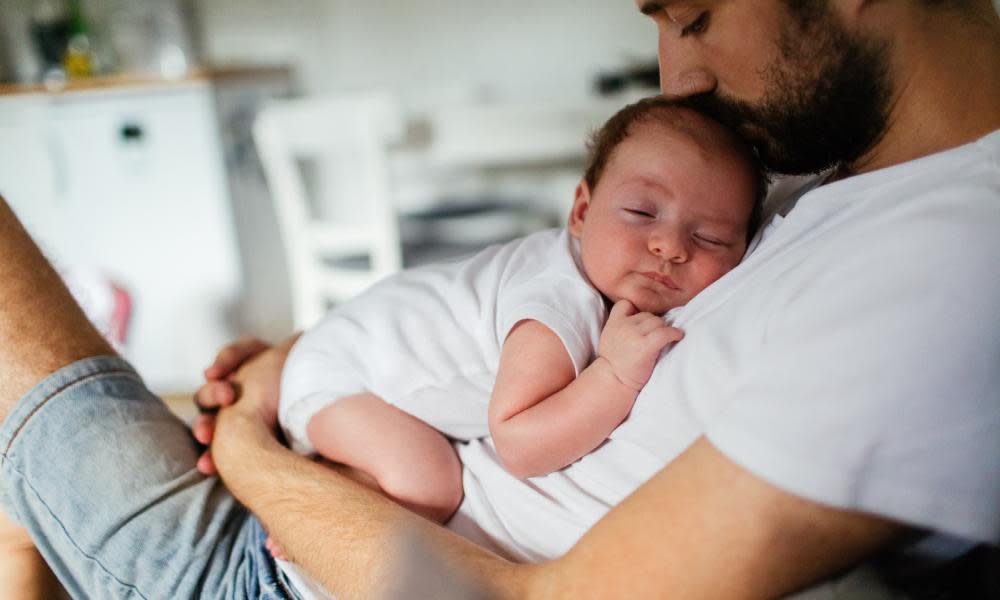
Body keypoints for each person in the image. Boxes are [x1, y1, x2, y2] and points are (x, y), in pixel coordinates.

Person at [0, 1, 998, 598]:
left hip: (285, 573)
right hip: (340, 504)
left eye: (693, 15)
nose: (677, 79)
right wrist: (312, 365)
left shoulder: (949, 259)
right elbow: (509, 309)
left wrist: (257, 454)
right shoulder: (816, 180)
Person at [275, 96, 763, 530]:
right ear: (580, 213)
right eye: (641, 212)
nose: (670, 246)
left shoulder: (595, 276)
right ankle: (306, 506)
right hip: (341, 375)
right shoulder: (557, 303)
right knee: (430, 485)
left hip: (358, 345)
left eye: (711, 238)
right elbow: (519, 445)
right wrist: (615, 374)